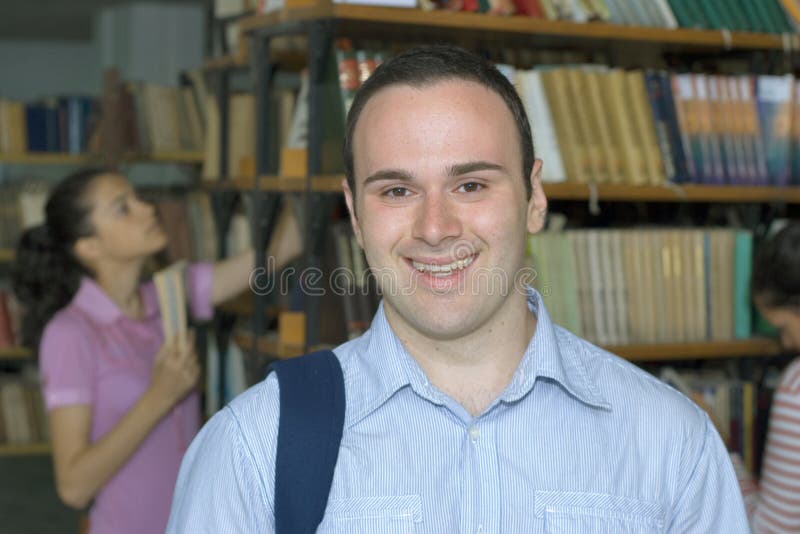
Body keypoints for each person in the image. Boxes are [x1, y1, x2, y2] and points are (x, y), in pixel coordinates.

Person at [167, 45, 748, 532]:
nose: (435, 228)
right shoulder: (254, 447)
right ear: (353, 211)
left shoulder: (672, 445)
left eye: (470, 184)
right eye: (396, 191)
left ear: (535, 197)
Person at [11, 167, 301, 534]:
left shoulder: (167, 297)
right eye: (123, 208)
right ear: (89, 247)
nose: (147, 209)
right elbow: (73, 487)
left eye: (137, 198)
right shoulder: (70, 333)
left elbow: (270, 257)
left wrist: (317, 182)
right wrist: (160, 395)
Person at [735, 221, 800, 532]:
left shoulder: (796, 386)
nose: (785, 344)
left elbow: (770, 530)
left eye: (784, 328)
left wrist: (726, 454)